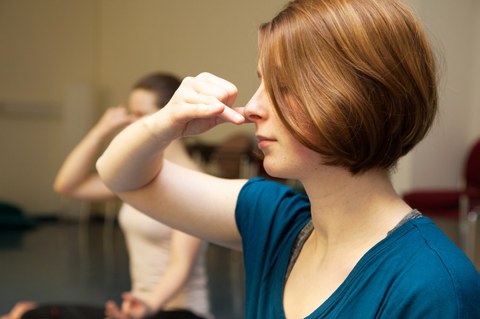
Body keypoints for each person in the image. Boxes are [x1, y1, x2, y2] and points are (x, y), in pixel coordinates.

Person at [96, 0, 480, 318]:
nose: (253, 107)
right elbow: (120, 176)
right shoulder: (275, 219)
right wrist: (164, 122)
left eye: (283, 87)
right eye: (261, 82)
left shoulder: (434, 285)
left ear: (355, 98)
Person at [50, 73, 212, 319]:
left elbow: (181, 266)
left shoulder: (192, 182)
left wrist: (147, 308)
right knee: (28, 313)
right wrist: (101, 129)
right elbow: (67, 186)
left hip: (180, 312)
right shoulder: (138, 174)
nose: (130, 122)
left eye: (139, 114)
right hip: (140, 309)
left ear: (172, 114)